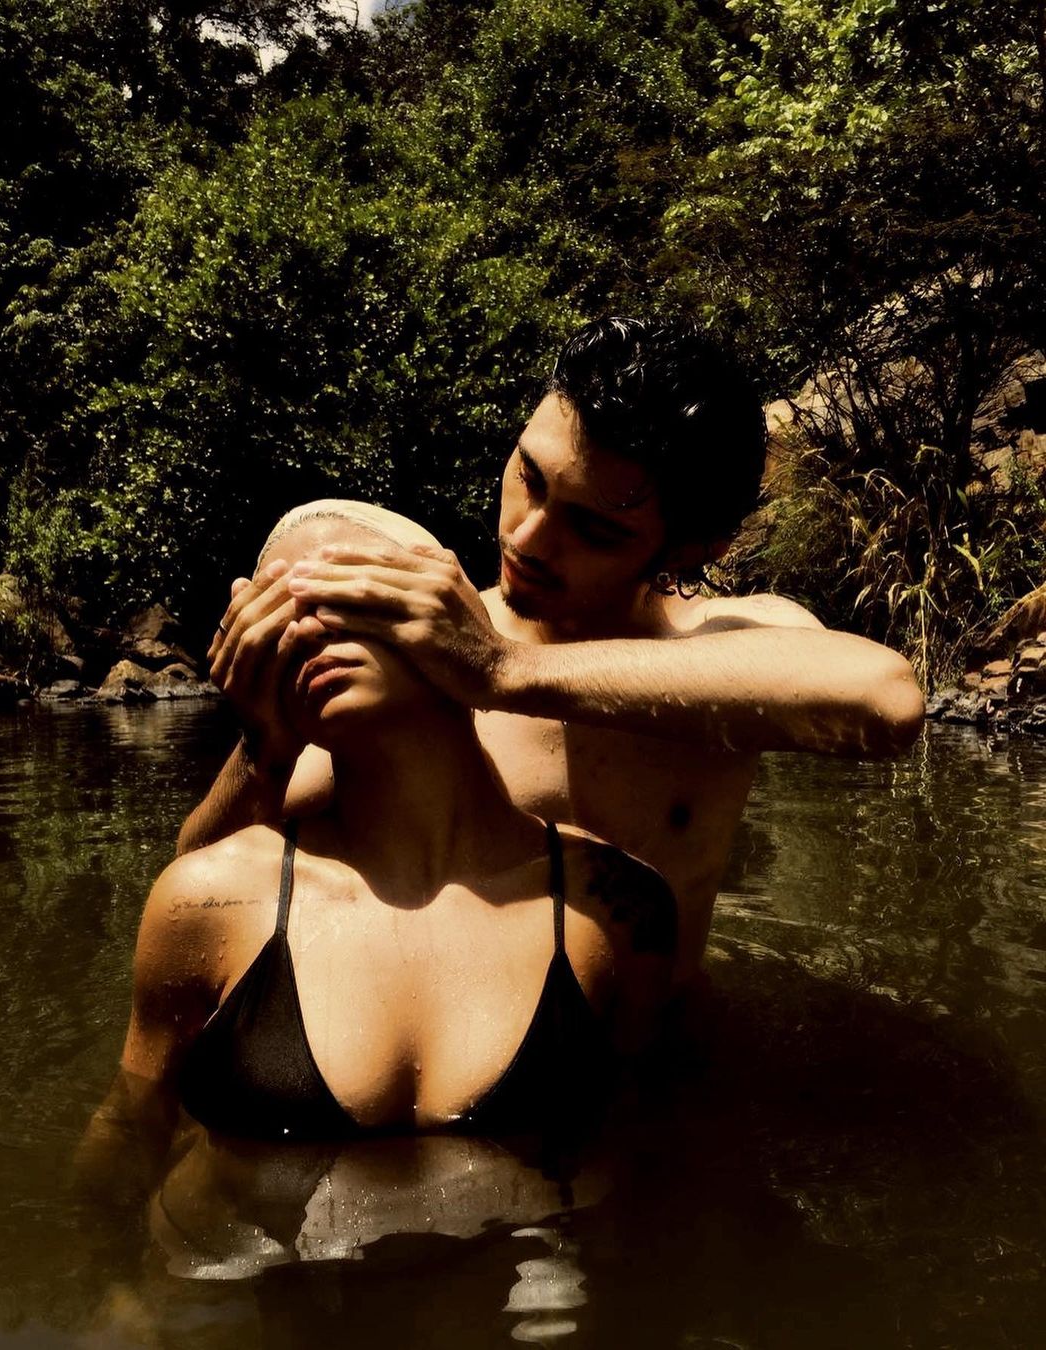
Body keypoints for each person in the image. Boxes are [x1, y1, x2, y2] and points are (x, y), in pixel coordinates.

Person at [179, 317, 924, 987]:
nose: (528, 538)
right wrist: (262, 751)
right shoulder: (422, 655)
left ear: (694, 548)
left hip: (652, 1064)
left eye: (593, 529)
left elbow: (886, 703)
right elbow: (197, 911)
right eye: (528, 477)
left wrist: (504, 671)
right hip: (488, 1063)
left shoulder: (720, 646)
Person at [100, 501, 675, 1151]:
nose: (307, 629)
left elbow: (644, 1149)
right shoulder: (207, 897)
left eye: (345, 593)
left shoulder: (617, 907)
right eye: (275, 620)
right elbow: (128, 1134)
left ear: (456, 610)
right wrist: (263, 746)